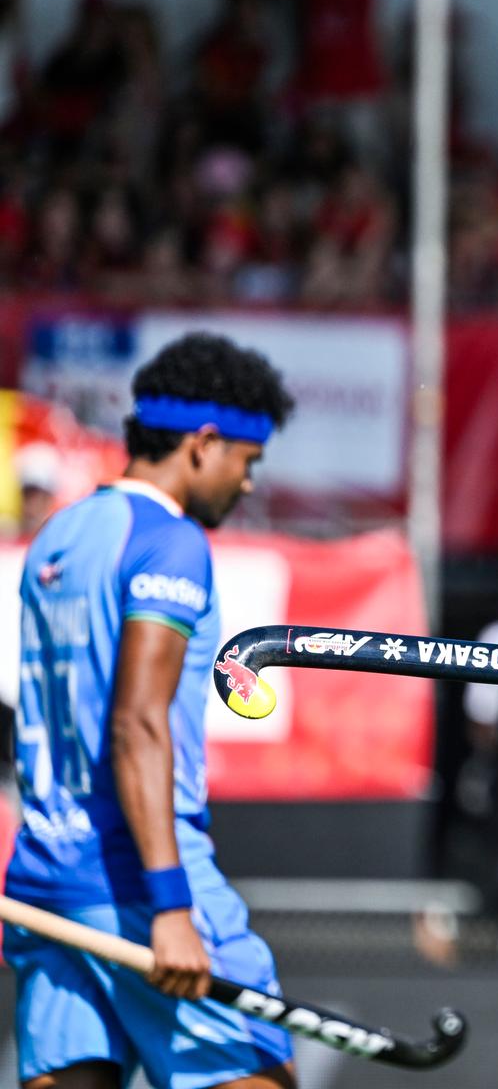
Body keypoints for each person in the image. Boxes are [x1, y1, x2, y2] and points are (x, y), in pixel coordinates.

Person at [6, 332, 296, 1089]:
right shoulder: (170, 543)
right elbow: (138, 722)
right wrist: (170, 903)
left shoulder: (58, 535)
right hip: (142, 882)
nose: (248, 483)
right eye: (247, 460)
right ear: (204, 444)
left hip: (47, 881)